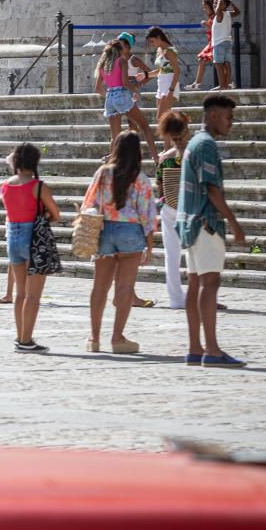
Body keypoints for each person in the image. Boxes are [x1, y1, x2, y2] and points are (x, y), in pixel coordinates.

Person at [176, 93, 247, 367]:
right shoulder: (206, 145)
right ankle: (213, 350)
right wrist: (234, 223)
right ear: (214, 115)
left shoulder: (195, 142)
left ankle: (195, 347)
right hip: (205, 222)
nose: (231, 123)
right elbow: (212, 189)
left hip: (190, 223)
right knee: (210, 283)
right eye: (229, 117)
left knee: (196, 284)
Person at [81, 131, 157, 354]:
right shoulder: (140, 178)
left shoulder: (103, 173)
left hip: (105, 229)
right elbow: (148, 215)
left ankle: (94, 338)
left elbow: (89, 202)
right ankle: (117, 338)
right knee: (125, 287)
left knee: (99, 286)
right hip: (131, 231)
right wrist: (149, 245)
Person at [0, 142, 61, 352]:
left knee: (20, 294)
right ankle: (26, 340)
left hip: (13, 238)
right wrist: (44, 215)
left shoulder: (6, 185)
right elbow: (56, 214)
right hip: (32, 239)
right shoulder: (38, 186)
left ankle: (20, 336)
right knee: (33, 295)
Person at [156, 112, 191, 310]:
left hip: (169, 206)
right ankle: (203, 295)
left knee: (171, 255)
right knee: (197, 254)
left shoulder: (164, 158)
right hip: (192, 207)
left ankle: (176, 298)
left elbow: (159, 185)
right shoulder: (194, 155)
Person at [94, 35, 155, 148]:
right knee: (141, 125)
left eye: (122, 45)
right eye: (120, 45)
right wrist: (135, 89)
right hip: (125, 92)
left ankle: (121, 153)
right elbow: (125, 82)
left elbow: (149, 73)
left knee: (127, 128)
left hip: (116, 95)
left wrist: (139, 84)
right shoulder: (121, 61)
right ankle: (141, 153)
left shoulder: (131, 59)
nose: (121, 48)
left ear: (128, 46)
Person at [145, 27, 182, 124]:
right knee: (164, 119)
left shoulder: (169, 51)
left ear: (158, 37)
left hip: (169, 85)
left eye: (152, 41)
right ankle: (175, 132)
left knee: (161, 118)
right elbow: (161, 70)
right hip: (161, 86)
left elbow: (177, 71)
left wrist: (171, 90)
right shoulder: (159, 50)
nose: (152, 44)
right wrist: (145, 75)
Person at [208, 0, 241, 90]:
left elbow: (217, 11)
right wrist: (231, 4)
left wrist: (219, 3)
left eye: (216, 3)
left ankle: (222, 85)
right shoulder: (227, 14)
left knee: (218, 64)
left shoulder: (220, 14)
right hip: (227, 42)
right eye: (214, 3)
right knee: (227, 64)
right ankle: (228, 83)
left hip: (219, 43)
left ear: (223, 5)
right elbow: (238, 12)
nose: (214, 5)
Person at [192, 0, 216, 91]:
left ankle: (228, 82)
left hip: (215, 43)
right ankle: (197, 83)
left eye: (206, 7)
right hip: (211, 43)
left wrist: (207, 24)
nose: (204, 10)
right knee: (202, 60)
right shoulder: (211, 18)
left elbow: (215, 28)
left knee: (220, 63)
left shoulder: (216, 17)